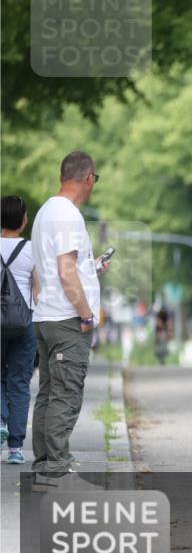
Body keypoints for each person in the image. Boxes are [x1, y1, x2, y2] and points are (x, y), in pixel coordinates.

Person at [29, 151, 108, 492]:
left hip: (47, 316)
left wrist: (92, 267)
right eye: (95, 179)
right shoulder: (67, 215)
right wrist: (86, 314)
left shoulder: (45, 212)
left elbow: (47, 268)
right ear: (88, 178)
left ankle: (44, 467)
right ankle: (57, 473)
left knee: (48, 394)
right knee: (65, 395)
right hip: (66, 319)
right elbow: (65, 272)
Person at [1, 196, 39, 465]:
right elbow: (38, 290)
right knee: (19, 383)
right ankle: (15, 449)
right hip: (24, 324)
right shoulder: (31, 249)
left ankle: (0, 419)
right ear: (23, 220)